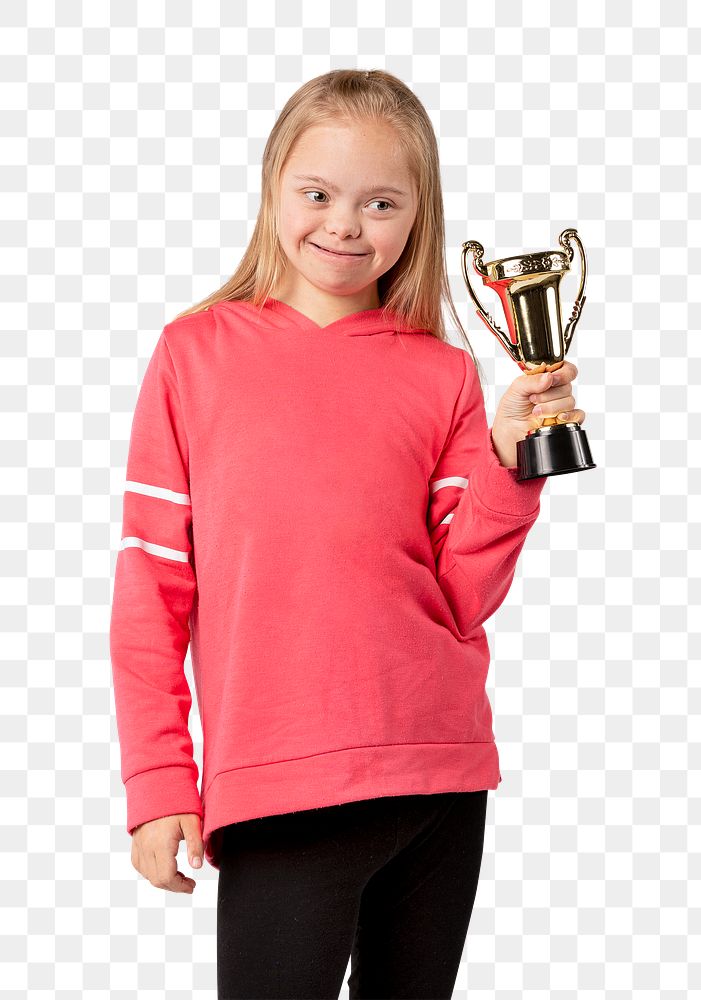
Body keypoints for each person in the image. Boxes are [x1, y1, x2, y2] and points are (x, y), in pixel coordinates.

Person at [109, 68, 585, 999]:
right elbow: (151, 591)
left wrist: (505, 458)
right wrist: (159, 781)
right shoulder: (192, 356)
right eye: (317, 193)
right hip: (280, 788)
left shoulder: (443, 374)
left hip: (437, 776)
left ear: (418, 215)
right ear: (272, 184)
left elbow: (462, 594)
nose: (343, 223)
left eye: (379, 202)